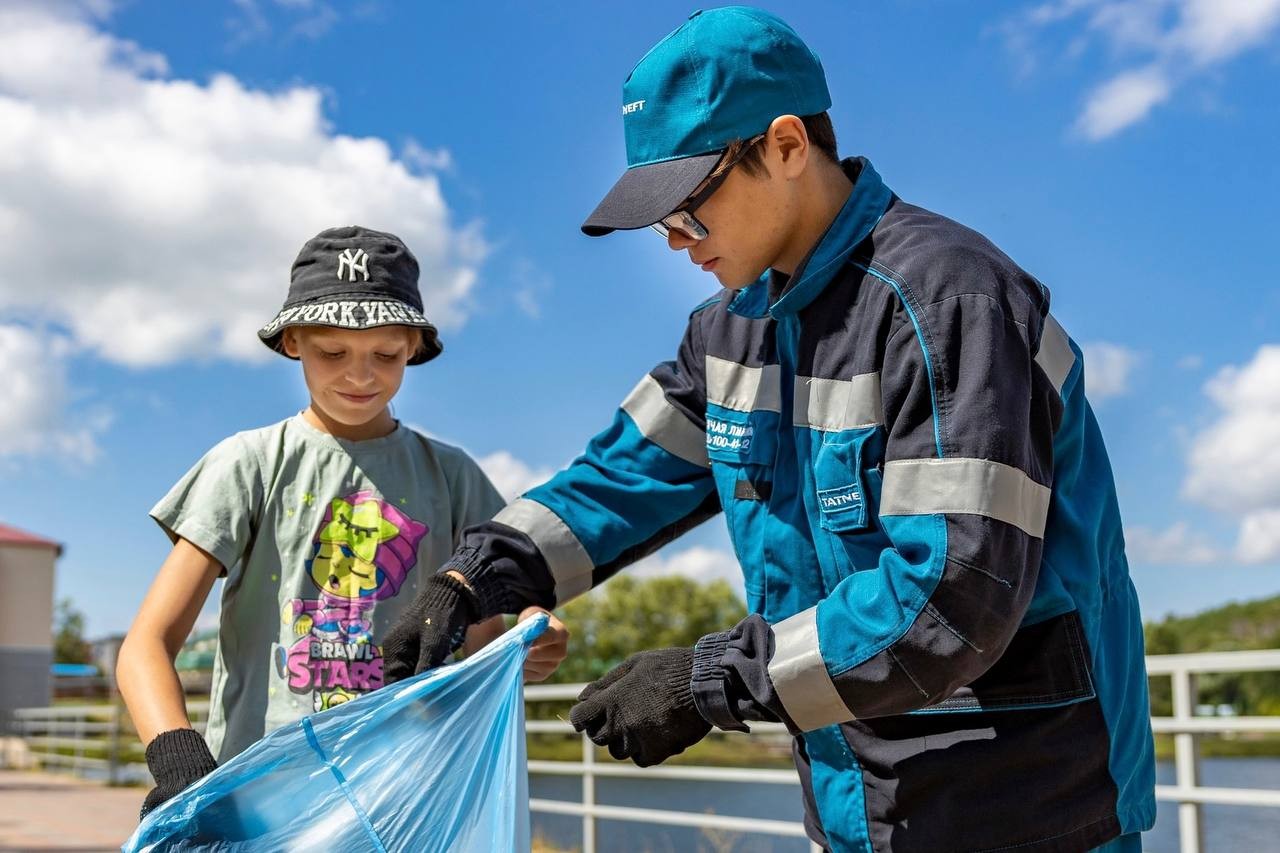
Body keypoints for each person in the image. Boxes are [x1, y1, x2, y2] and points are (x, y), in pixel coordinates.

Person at [382, 8, 1156, 851]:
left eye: (690, 208)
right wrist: (474, 574)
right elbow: (619, 480)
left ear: (787, 145)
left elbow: (951, 596)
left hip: (1025, 808)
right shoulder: (727, 332)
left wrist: (710, 680)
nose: (674, 241)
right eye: (660, 221)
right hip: (852, 806)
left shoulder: (948, 302)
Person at [116, 225, 568, 818]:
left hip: (406, 798)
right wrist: (182, 768)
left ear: (413, 346)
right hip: (259, 801)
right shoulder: (247, 465)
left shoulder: (454, 478)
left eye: (384, 354)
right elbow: (145, 646)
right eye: (333, 353)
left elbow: (483, 645)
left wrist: (530, 638)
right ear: (293, 343)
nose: (360, 375)